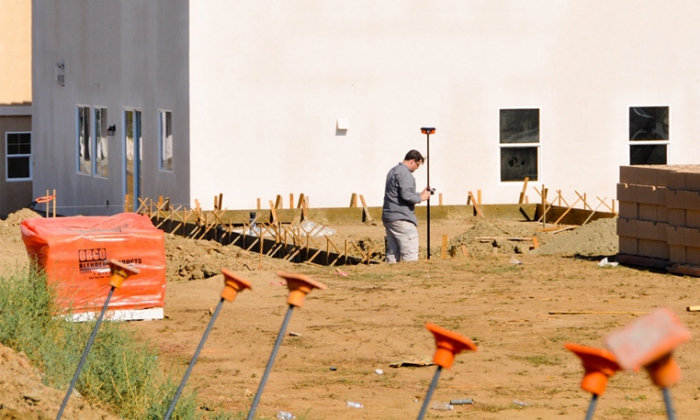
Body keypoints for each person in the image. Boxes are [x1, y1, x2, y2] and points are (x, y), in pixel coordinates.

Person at [382, 150, 432, 263]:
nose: (417, 168)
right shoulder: (405, 174)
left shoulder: (393, 171)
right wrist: (421, 198)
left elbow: (398, 194)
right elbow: (406, 196)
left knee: (393, 252)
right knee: (410, 250)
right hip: (401, 218)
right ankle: (409, 275)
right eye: (418, 164)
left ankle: (392, 275)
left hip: (390, 217)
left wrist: (420, 194)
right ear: (412, 161)